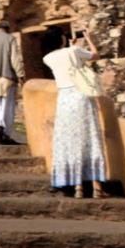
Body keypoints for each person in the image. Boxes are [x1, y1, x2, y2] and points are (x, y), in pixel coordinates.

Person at [41, 27, 108, 198]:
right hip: (81, 95)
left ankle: (78, 186)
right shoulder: (74, 51)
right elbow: (95, 55)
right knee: (90, 137)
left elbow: (65, 59)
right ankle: (96, 187)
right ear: (61, 39)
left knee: (71, 139)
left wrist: (70, 47)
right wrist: (88, 38)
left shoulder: (47, 58)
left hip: (64, 100)